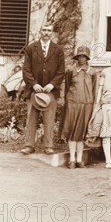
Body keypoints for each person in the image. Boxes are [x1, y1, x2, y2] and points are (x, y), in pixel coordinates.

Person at [20, 23, 66, 155]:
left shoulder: (58, 50)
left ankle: (48, 146)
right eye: (44, 30)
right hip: (33, 90)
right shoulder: (31, 48)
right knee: (31, 118)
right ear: (40, 31)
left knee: (49, 119)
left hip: (50, 91)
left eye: (49, 30)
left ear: (52, 33)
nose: (46, 32)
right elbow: (26, 70)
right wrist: (34, 84)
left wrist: (52, 84)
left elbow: (61, 71)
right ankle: (29, 145)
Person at [62, 46, 97, 168]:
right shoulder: (71, 70)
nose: (82, 59)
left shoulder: (92, 72)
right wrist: (67, 100)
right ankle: (72, 159)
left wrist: (92, 104)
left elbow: (94, 90)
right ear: (76, 58)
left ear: (87, 58)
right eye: (80, 56)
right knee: (72, 131)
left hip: (87, 105)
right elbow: (67, 87)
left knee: (81, 132)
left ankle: (79, 159)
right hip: (72, 103)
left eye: (84, 56)